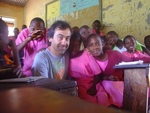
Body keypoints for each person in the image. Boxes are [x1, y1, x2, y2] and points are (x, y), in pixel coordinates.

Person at [69, 34, 131, 108]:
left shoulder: (86, 54)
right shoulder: (65, 57)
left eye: (77, 45)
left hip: (93, 83)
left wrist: (94, 86)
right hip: (77, 86)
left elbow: (97, 73)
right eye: (71, 45)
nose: (74, 48)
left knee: (102, 99)